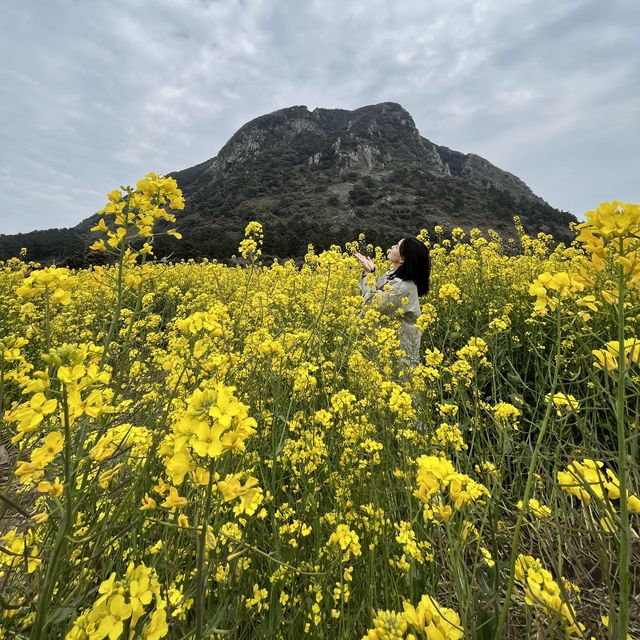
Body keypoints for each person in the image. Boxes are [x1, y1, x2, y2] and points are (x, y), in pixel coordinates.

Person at [354, 237, 430, 367]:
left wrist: (368, 274)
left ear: (402, 259)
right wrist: (371, 272)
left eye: (397, 246)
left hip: (398, 360)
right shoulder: (393, 275)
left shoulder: (403, 287)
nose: (393, 246)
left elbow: (369, 305)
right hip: (387, 351)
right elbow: (376, 291)